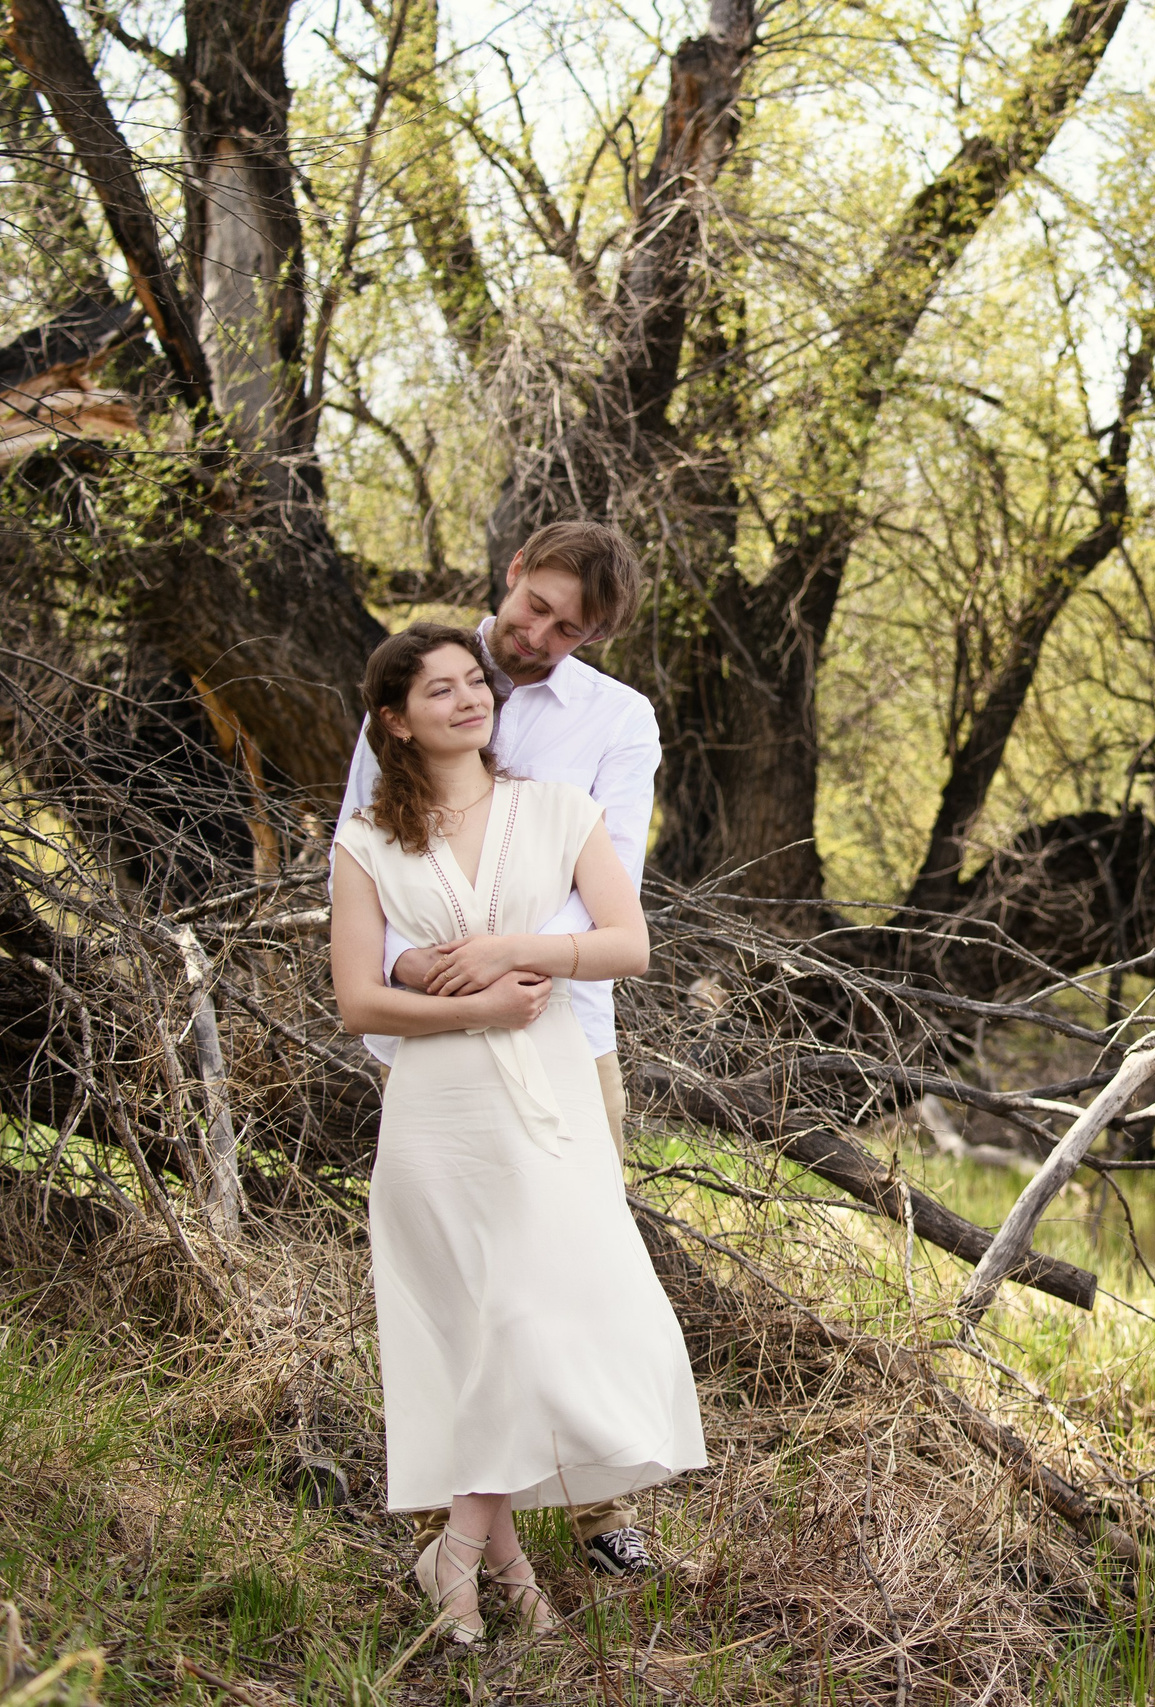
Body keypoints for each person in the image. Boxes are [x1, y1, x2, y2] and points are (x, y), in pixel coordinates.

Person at [330, 623, 705, 1645]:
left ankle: (451, 1549)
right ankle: (505, 1573)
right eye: (439, 690)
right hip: (437, 1114)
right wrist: (471, 1008)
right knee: (466, 1338)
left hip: (547, 1101)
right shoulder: (365, 840)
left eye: (473, 683)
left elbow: (625, 943)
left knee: (536, 1321)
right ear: (396, 723)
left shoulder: (556, 810)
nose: (468, 700)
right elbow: (358, 1001)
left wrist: (505, 952)